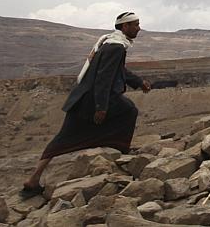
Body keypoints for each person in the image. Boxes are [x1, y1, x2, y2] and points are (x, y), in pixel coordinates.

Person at [22, 11, 152, 196]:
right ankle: (121, 151)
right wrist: (101, 107)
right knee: (129, 111)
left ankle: (33, 178)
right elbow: (103, 78)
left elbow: (118, 70)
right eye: (135, 25)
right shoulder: (116, 47)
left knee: (63, 137)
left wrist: (138, 82)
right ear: (125, 27)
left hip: (82, 97)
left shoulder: (108, 42)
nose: (139, 28)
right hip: (91, 100)